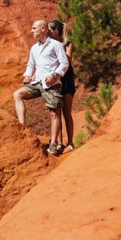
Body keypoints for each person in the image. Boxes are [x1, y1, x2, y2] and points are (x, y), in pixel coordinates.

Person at [13, 20, 69, 156]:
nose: (31, 31)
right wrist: (27, 76)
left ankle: (53, 144)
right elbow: (31, 65)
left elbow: (64, 63)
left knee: (54, 113)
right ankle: (23, 128)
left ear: (43, 29)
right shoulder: (34, 48)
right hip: (37, 82)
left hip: (51, 84)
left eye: (34, 28)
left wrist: (55, 75)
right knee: (18, 94)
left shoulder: (56, 45)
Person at [48, 19, 76, 154]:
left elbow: (67, 62)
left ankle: (70, 142)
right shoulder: (49, 45)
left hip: (66, 80)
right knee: (56, 112)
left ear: (56, 31)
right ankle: (59, 143)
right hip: (55, 80)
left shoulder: (67, 45)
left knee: (66, 113)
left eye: (49, 30)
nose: (47, 33)